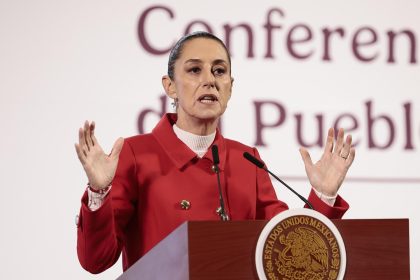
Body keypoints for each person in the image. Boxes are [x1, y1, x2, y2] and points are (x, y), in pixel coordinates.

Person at [75, 32, 355, 274]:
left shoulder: (249, 161)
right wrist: (99, 191)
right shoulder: (137, 155)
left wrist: (322, 197)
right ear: (170, 86)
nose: (209, 80)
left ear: (230, 87)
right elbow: (96, 261)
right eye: (195, 70)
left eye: (219, 71)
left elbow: (287, 249)